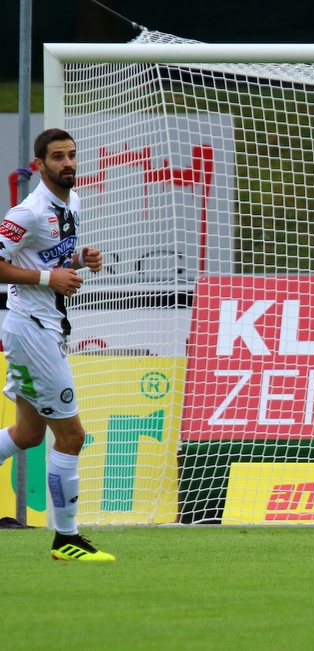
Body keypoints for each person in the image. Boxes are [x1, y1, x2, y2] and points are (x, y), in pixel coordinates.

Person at [0, 129, 113, 561]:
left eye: (71, 156)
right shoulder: (27, 212)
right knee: (72, 436)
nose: (67, 163)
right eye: (57, 157)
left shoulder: (73, 202)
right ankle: (66, 539)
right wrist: (50, 279)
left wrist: (80, 260)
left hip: (45, 328)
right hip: (32, 331)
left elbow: (51, 257)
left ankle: (66, 538)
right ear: (40, 165)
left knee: (28, 433)